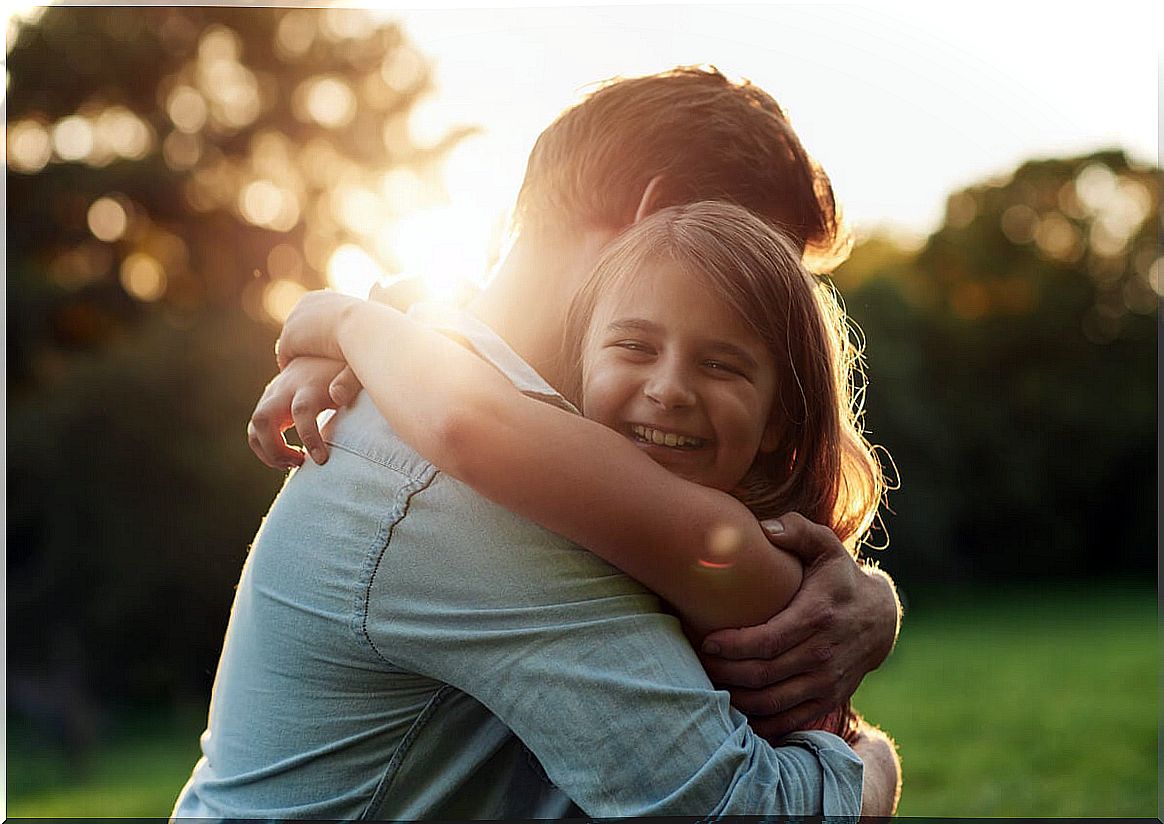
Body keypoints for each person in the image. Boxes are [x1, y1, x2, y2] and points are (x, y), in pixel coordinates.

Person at [176, 67, 900, 819]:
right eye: (747, 260)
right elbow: (740, 808)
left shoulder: (489, 404)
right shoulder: (471, 477)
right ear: (654, 219)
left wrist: (870, 602)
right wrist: (870, 762)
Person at [275, 200, 886, 744]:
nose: (669, 390)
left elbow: (466, 421)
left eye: (721, 365)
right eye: (635, 348)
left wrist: (351, 324)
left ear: (779, 420)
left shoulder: (734, 543)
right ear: (582, 361)